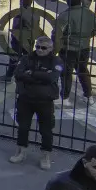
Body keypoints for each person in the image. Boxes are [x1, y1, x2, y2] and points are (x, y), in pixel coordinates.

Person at [10, 36, 63, 170]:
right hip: (25, 98)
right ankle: (21, 151)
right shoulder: (27, 58)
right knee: (23, 127)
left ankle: (45, 156)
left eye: (43, 48)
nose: (40, 50)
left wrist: (31, 73)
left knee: (46, 130)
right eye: (38, 47)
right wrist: (41, 75)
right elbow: (18, 74)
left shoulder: (55, 60)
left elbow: (52, 78)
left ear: (50, 49)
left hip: (45, 101)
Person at [54, 0, 96, 103]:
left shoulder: (65, 15)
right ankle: (88, 95)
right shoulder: (89, 13)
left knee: (66, 73)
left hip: (68, 48)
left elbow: (57, 34)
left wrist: (55, 47)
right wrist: (89, 35)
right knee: (82, 71)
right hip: (84, 47)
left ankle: (65, 97)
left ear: (68, 2)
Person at [0, 0, 53, 83]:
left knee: (14, 57)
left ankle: (9, 76)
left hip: (18, 40)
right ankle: (29, 75)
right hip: (30, 38)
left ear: (21, 2)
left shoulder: (20, 13)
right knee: (28, 57)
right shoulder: (35, 13)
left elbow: (16, 27)